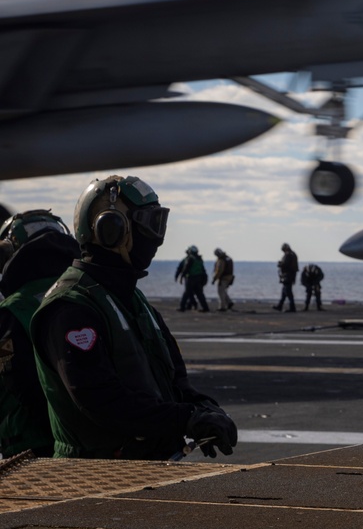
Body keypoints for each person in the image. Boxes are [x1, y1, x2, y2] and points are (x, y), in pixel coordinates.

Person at [30, 175, 238, 460]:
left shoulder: (131, 299)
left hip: (147, 465)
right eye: (148, 225)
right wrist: (186, 418)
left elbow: (175, 382)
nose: (155, 239)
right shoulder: (71, 308)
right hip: (93, 475)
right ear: (111, 230)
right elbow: (102, 401)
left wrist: (205, 409)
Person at [0, 210, 80, 458]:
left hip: (29, 445)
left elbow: (17, 381)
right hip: (87, 441)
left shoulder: (13, 309)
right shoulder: (85, 295)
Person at [175, 245, 209, 312]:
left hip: (191, 278)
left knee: (187, 293)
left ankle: (182, 307)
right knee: (200, 294)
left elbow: (186, 268)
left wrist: (181, 277)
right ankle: (205, 308)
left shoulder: (190, 258)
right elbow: (203, 270)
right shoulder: (199, 259)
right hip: (199, 278)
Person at [274, 243, 298, 312]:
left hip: (288, 275)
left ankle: (292, 307)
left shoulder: (289, 255)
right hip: (291, 275)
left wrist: (280, 264)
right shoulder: (292, 254)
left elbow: (285, 264)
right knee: (284, 291)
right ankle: (280, 305)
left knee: (288, 291)